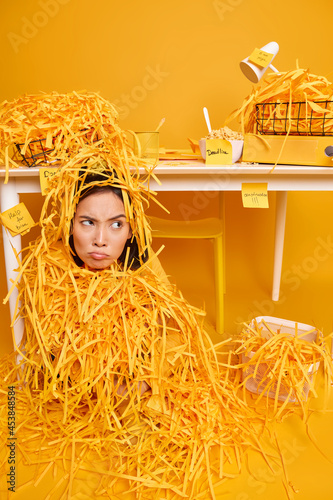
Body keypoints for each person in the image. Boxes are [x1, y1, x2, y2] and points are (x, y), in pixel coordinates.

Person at [0, 144, 264, 499]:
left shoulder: (141, 261)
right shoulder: (50, 269)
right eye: (88, 222)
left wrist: (148, 375)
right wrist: (105, 379)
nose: (100, 240)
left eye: (116, 225)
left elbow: (176, 329)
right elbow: (53, 349)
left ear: (129, 229)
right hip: (83, 397)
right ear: (70, 223)